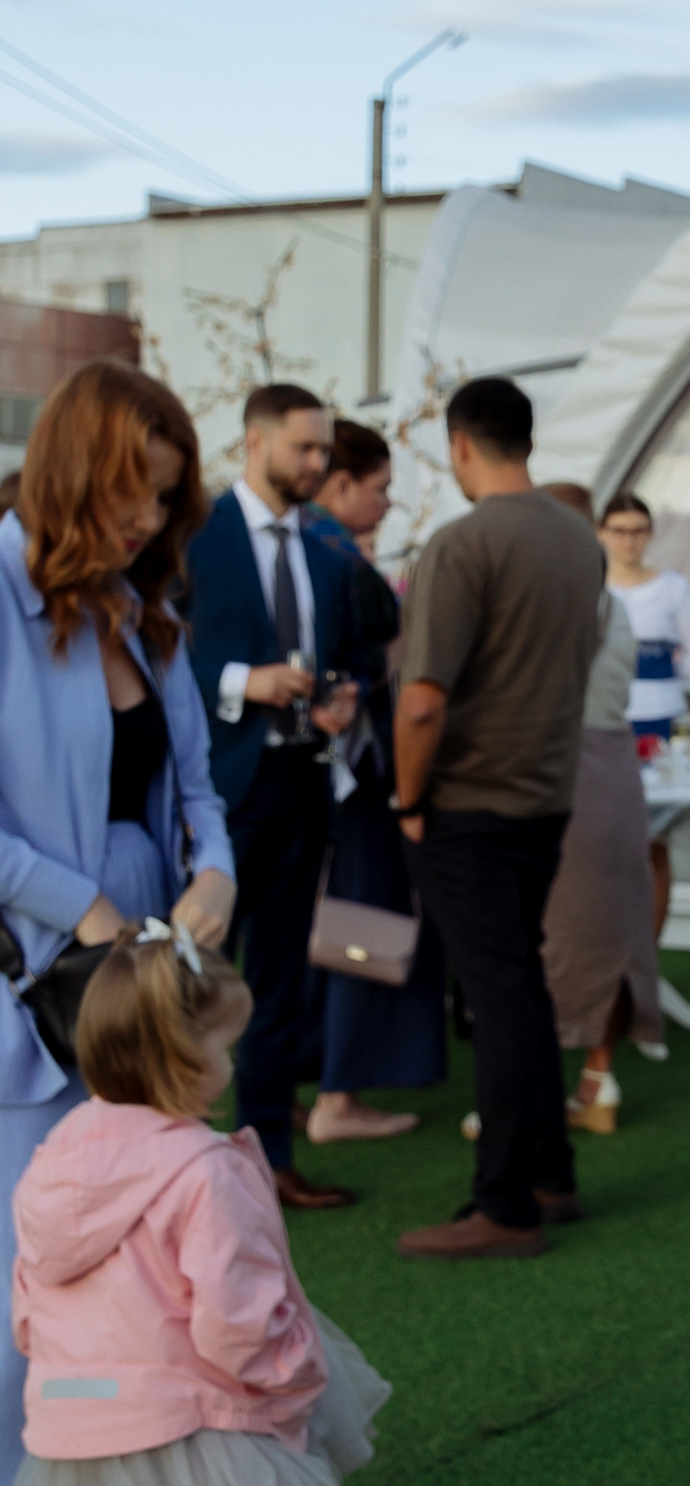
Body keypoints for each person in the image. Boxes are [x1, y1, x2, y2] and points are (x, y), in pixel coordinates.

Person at [6, 925, 387, 1486]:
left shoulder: (52, 1161)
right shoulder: (205, 1168)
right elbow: (236, 1322)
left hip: (74, 1427)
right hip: (190, 1423)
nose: (235, 1056)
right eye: (222, 1041)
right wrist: (294, 1384)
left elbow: (26, 1306)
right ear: (181, 1056)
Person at [0, 361, 234, 1486]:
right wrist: (62, 901)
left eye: (166, 491)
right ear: (74, 468)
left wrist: (211, 879)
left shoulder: (148, 609)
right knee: (15, 1339)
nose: (149, 516)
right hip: (37, 1006)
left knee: (120, 1332)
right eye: (130, 489)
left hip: (138, 1010)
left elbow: (197, 778)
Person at [392, 377, 604, 1261]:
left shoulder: (462, 543)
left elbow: (423, 700)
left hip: (470, 800)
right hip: (545, 794)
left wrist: (407, 802)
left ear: (461, 446)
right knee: (521, 982)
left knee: (498, 996)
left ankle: (507, 1203)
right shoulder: (578, 541)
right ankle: (549, 1175)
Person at [183, 382, 363, 1214]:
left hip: (301, 783)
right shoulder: (195, 537)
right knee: (188, 977)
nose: (320, 463)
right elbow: (160, 658)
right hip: (219, 794)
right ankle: (182, 1162)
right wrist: (241, 682)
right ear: (256, 442)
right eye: (305, 448)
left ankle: (269, 1159)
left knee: (281, 981)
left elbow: (343, 655)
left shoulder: (325, 549)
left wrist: (336, 700)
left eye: (325, 450)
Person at [302, 416, 445, 1147]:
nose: (388, 504)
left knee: (323, 929)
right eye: (381, 488)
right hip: (354, 779)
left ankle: (322, 1077)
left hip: (315, 783)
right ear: (340, 482)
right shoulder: (334, 559)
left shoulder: (302, 549)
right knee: (360, 929)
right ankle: (338, 1094)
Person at [541, 482, 665, 1133]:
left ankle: (530, 1095)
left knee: (546, 932)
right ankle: (598, 1076)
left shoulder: (553, 597)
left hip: (560, 767)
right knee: (613, 927)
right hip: (616, 766)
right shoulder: (610, 601)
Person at [598, 487, 690, 1034]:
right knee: (604, 842)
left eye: (638, 531)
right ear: (602, 533)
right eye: (618, 530)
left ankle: (646, 966)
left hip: (659, 724)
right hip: (604, 722)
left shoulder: (672, 589)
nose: (629, 541)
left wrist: (656, 665)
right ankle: (605, 965)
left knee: (653, 844)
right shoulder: (592, 589)